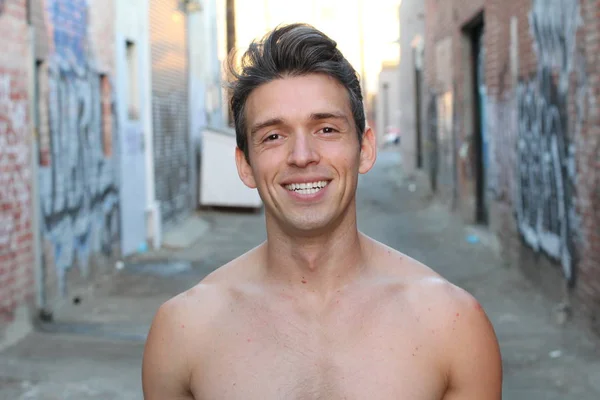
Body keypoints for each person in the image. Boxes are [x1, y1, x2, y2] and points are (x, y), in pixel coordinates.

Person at [142, 23, 502, 399]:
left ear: (364, 149)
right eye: (273, 136)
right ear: (245, 164)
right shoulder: (184, 332)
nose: (302, 156)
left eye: (327, 129)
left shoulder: (450, 324)